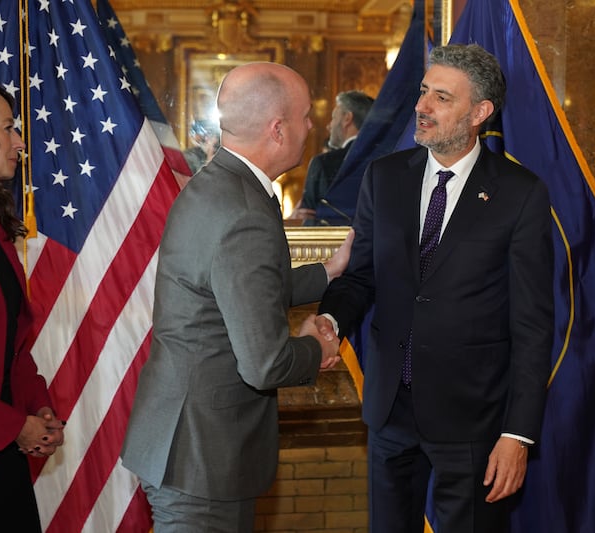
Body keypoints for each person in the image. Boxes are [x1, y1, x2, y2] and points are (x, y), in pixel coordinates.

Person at [316, 44, 555, 533]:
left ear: (480, 113)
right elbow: (361, 275)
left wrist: (517, 434)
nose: (422, 106)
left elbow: (532, 325)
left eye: (441, 98)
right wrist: (330, 320)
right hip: (390, 410)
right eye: (424, 91)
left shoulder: (519, 193)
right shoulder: (384, 178)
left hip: (474, 419)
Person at [121, 63, 353, 532]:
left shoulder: (219, 183)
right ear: (278, 129)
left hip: (192, 446)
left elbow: (233, 286)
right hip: (201, 458)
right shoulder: (244, 209)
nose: (312, 126)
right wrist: (318, 346)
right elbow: (265, 364)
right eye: (305, 116)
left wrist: (326, 273)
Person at [0, 83, 66, 531]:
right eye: (8, 129)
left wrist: (38, 408)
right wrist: (12, 425)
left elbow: (11, 346)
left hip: (2, 455)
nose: (19, 142)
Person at [290, 90, 374, 223]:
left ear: (347, 118)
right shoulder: (386, 161)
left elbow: (307, 222)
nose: (329, 126)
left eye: (334, 117)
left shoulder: (323, 163)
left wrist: (294, 220)